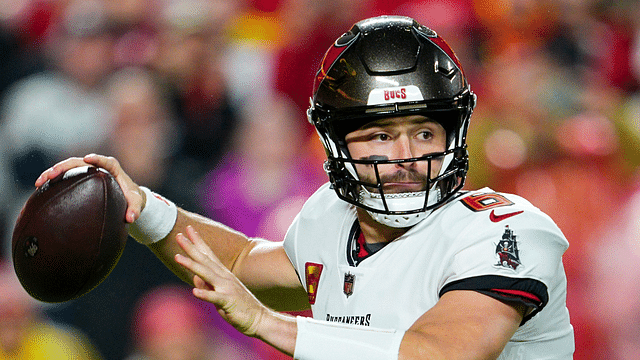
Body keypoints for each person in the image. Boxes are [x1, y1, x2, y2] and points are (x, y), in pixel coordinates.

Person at [35, 16, 574, 359]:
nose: (408, 156)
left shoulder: (506, 231)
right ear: (337, 145)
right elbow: (246, 264)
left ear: (454, 133)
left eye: (425, 131)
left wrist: (270, 326)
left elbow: (443, 354)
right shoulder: (332, 217)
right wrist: (145, 209)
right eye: (382, 135)